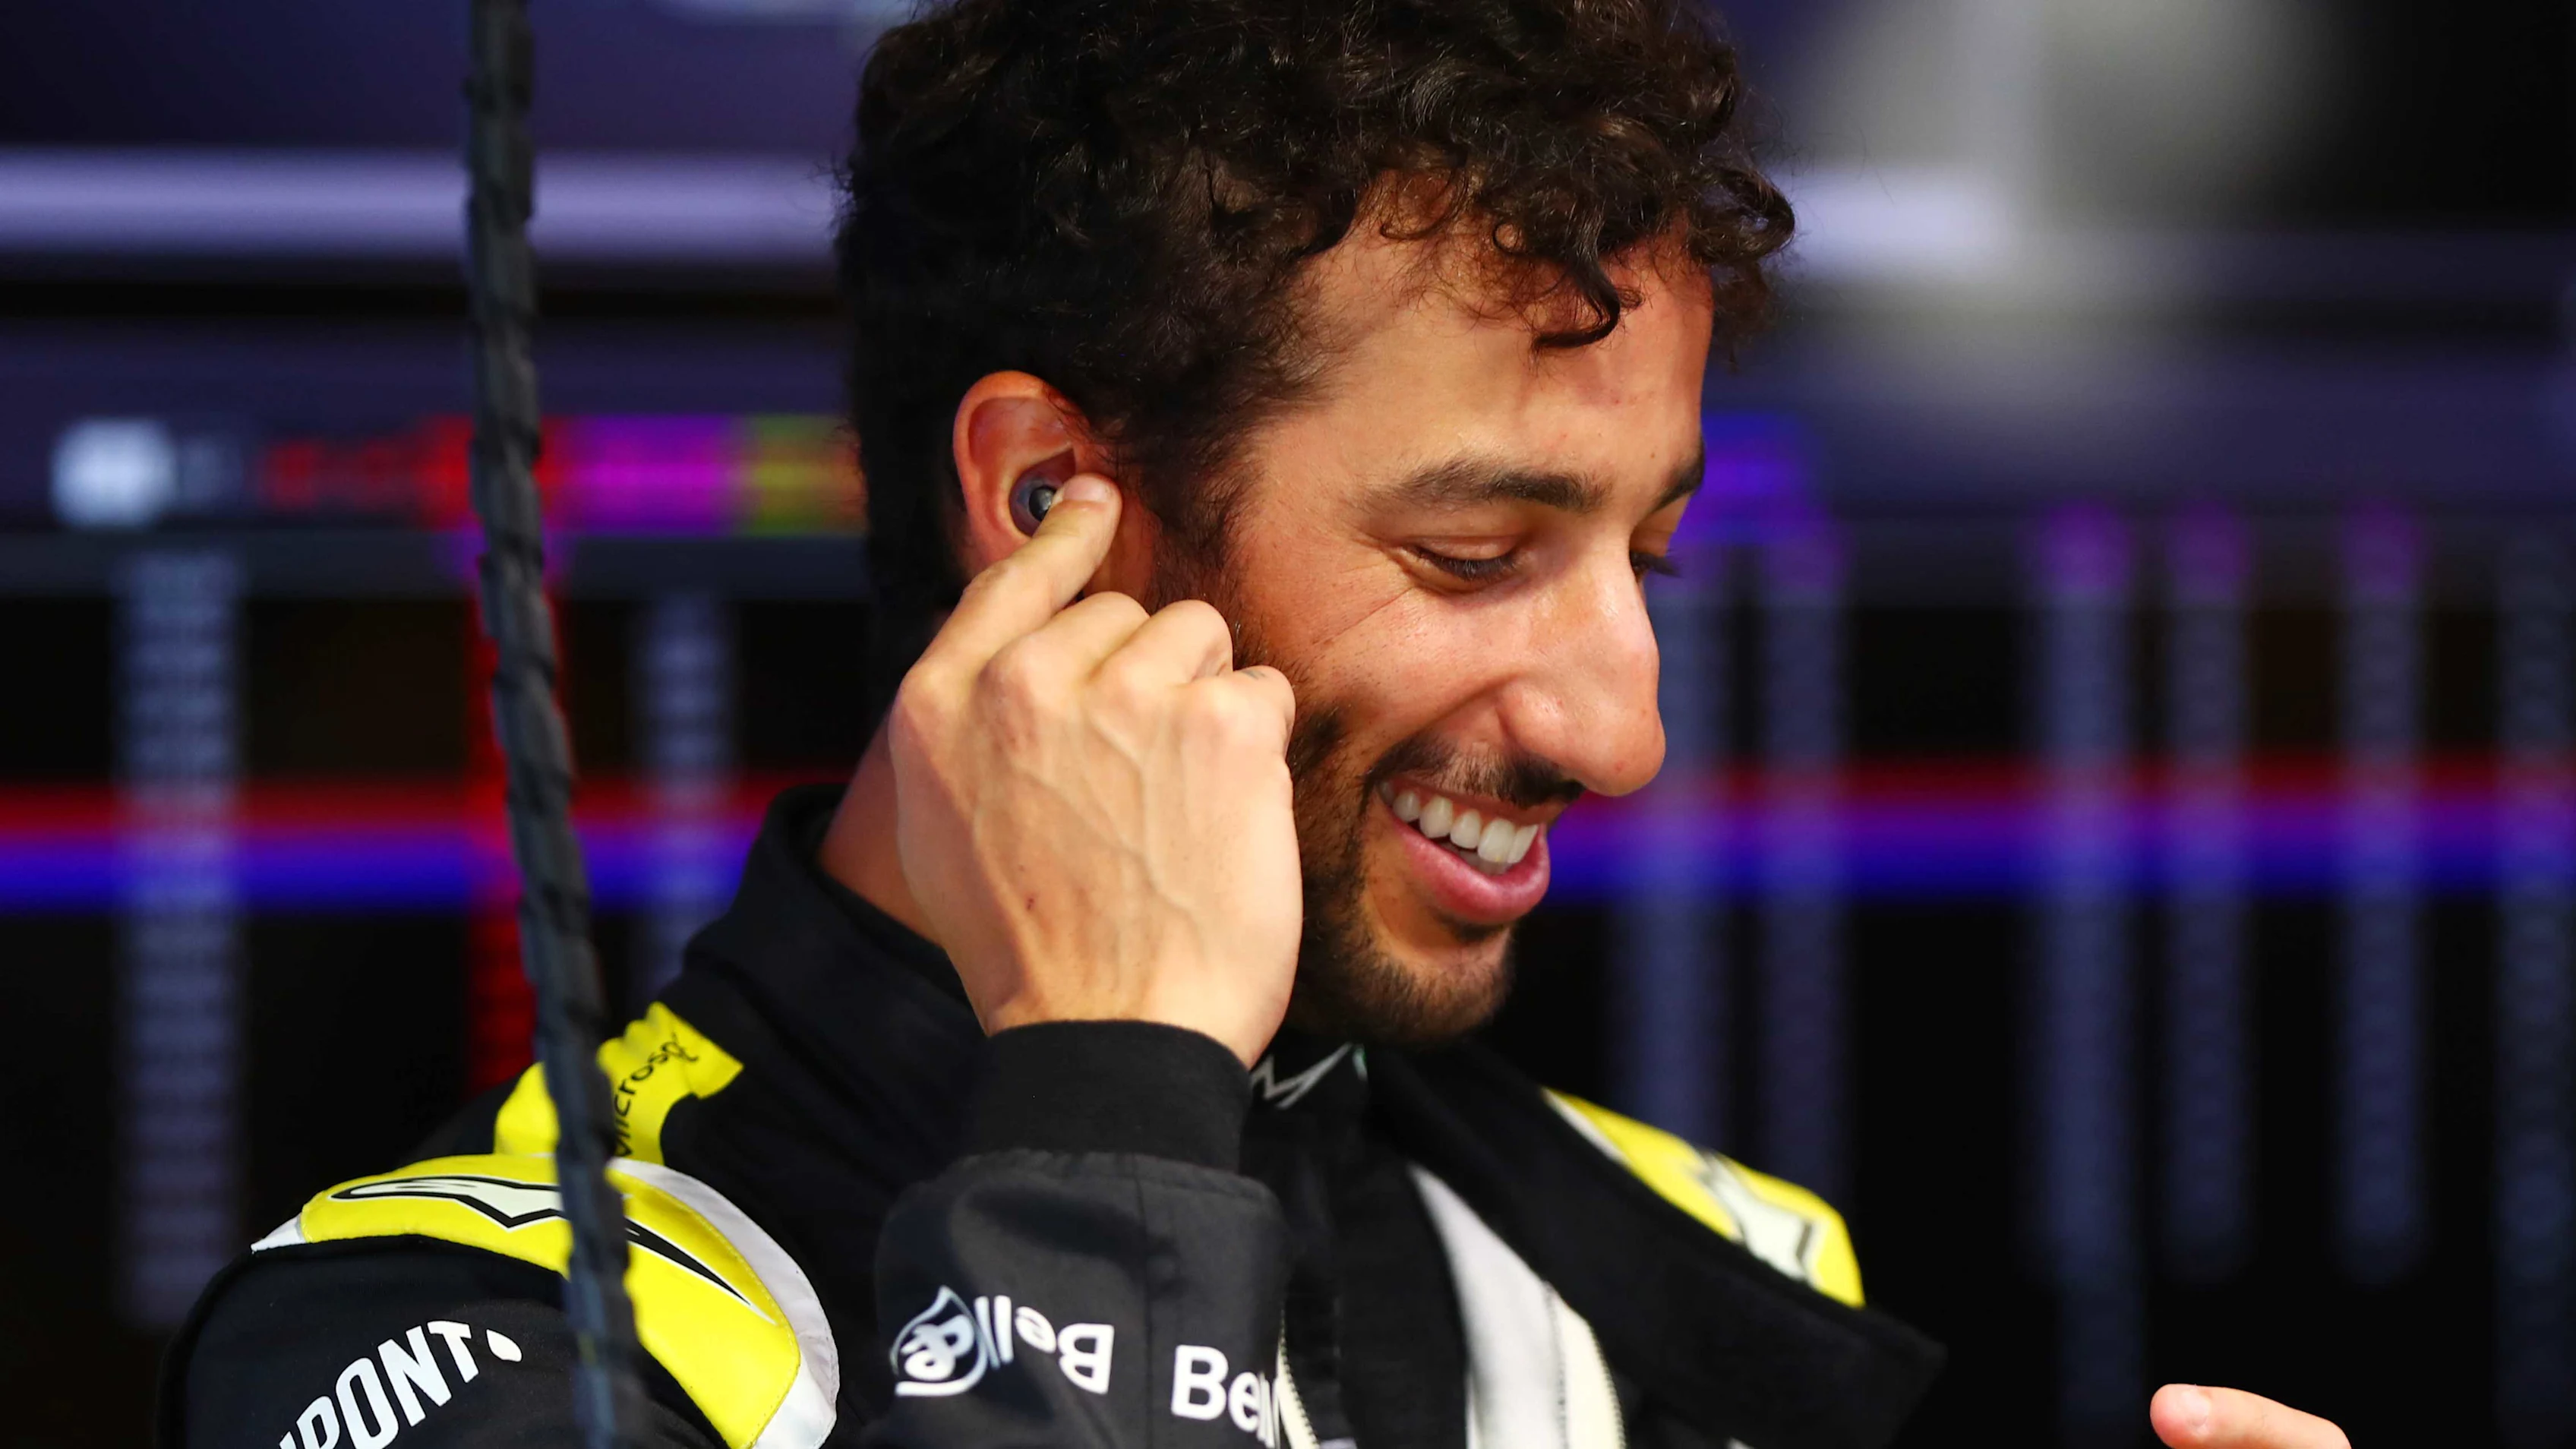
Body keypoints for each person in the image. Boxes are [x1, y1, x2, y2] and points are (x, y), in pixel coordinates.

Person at [164, 2, 2350, 1447]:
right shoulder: (439, 1339)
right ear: (1055, 509)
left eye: (1648, 558)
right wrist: (1112, 1114)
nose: (1619, 727)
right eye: (1481, 553)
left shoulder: (1706, 1286)